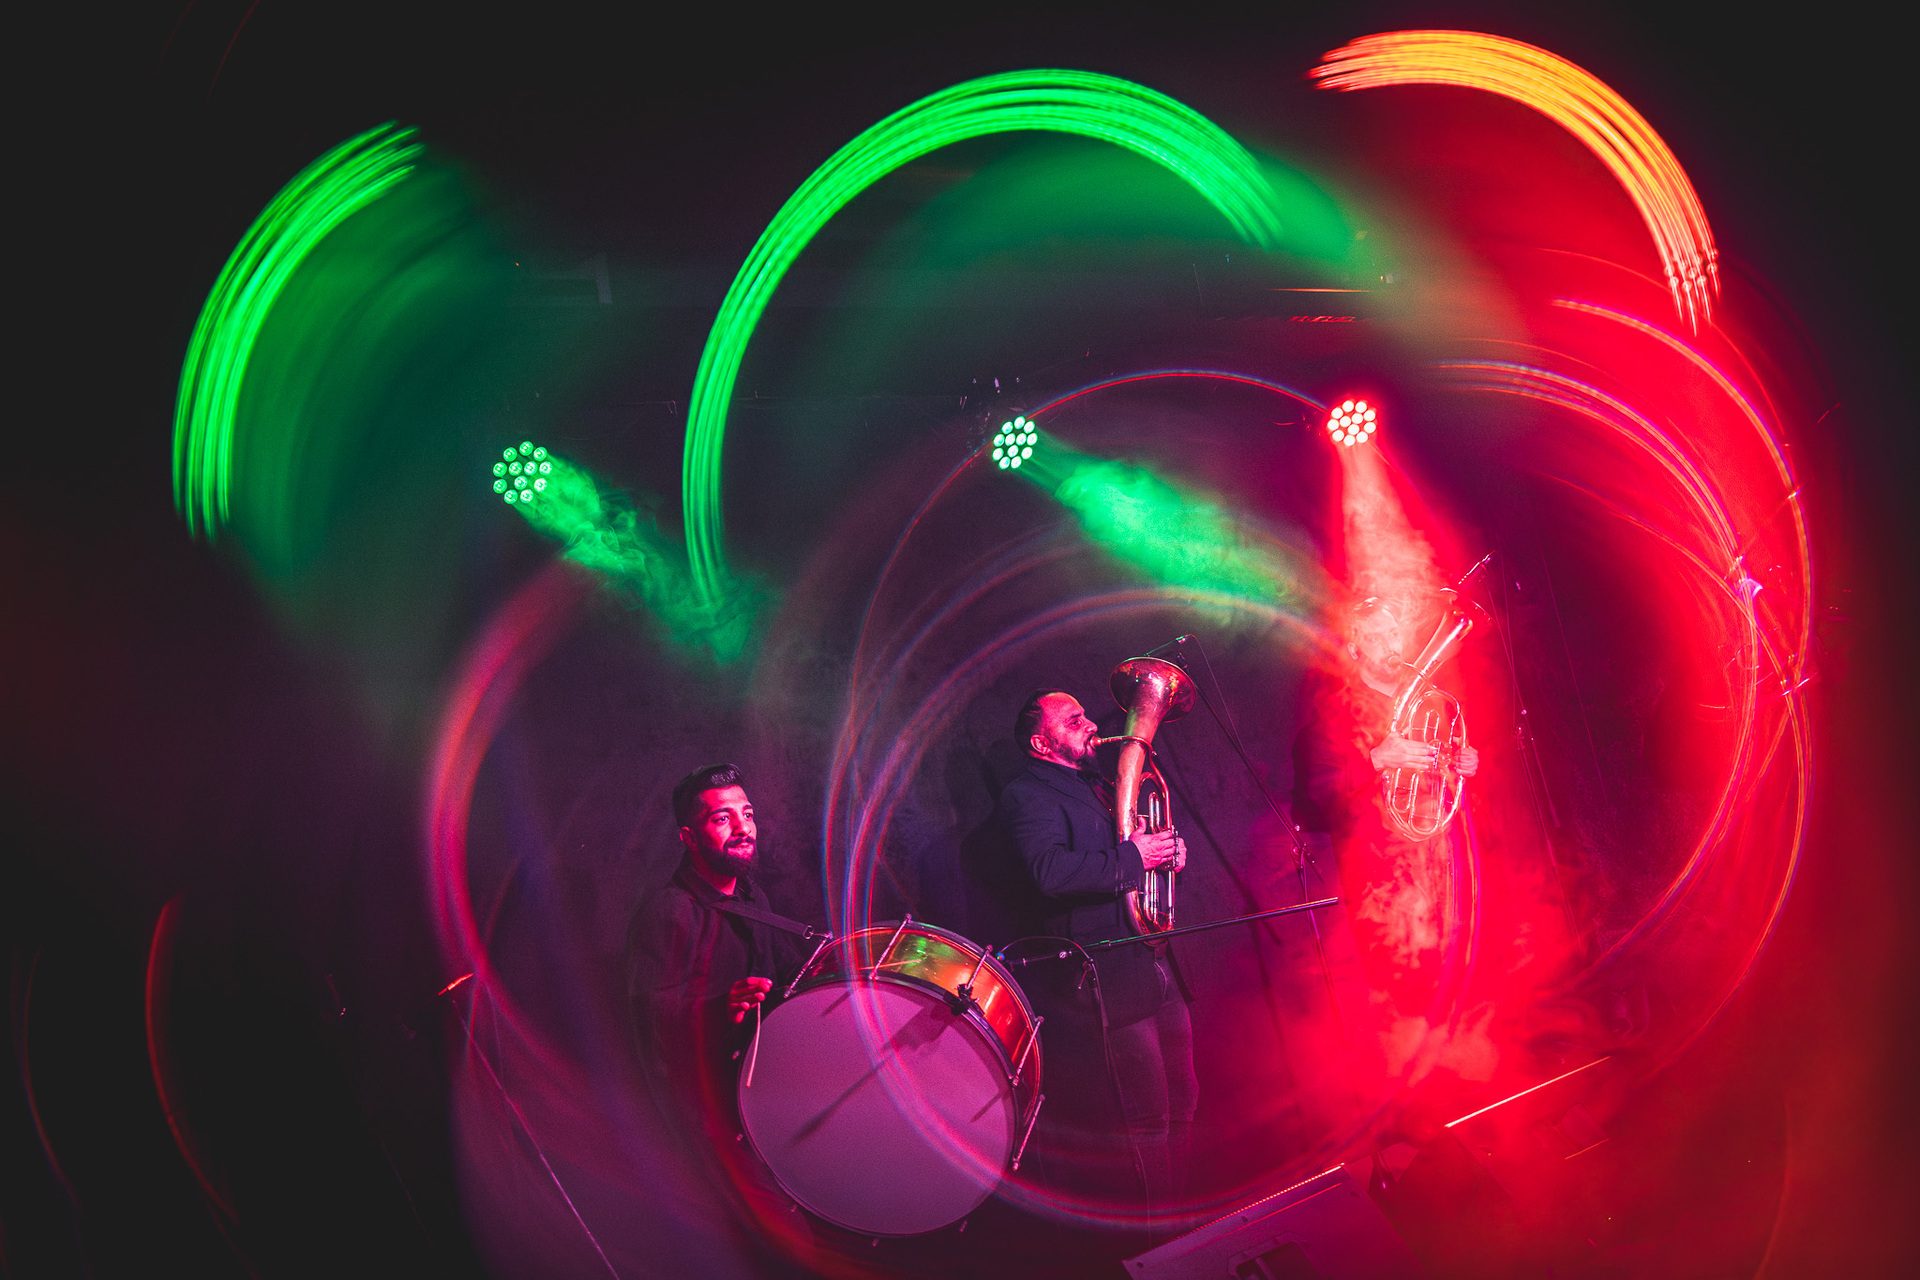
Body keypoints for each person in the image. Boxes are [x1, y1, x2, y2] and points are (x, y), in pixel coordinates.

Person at [995, 688, 1196, 1223]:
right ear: (1042, 744)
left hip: (1155, 958)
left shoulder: (1100, 785)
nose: (1089, 725)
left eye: (1085, 716)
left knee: (1186, 1099)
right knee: (1149, 1117)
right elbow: (1049, 873)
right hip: (1111, 972)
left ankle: (1184, 1216)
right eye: (1073, 720)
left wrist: (1166, 854)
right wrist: (1134, 857)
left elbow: (1132, 855)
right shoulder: (1027, 794)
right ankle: (1163, 1236)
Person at [626, 762, 808, 1260]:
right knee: (784, 1244)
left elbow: (787, 972)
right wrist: (719, 1007)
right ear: (688, 837)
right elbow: (649, 1018)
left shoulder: (752, 896)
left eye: (746, 814)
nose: (743, 827)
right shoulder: (669, 911)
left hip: (761, 1094)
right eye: (721, 819)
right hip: (708, 1116)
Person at [1292, 598, 1478, 1019]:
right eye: (1375, 638)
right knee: (1407, 1001)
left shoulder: (1429, 704)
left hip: (1439, 868)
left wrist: (1461, 763)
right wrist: (1375, 760)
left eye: (1393, 633)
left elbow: (1441, 786)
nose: (1390, 645)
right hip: (1381, 882)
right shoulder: (1331, 720)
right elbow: (1313, 806)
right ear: (1354, 650)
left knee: (1462, 989)